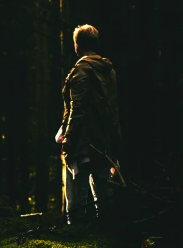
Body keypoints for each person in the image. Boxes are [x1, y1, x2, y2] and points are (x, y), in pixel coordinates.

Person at [56, 24, 122, 226]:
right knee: (103, 194)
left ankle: (76, 236)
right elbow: (112, 107)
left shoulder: (81, 70)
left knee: (76, 196)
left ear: (78, 45)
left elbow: (78, 108)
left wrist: (68, 137)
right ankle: (105, 234)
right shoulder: (108, 70)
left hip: (83, 142)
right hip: (104, 140)